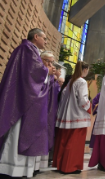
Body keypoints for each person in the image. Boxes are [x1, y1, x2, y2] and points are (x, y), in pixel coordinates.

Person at [0, 28, 53, 178]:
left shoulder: (27, 50)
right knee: (17, 133)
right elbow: (34, 73)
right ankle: (9, 168)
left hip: (23, 97)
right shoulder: (28, 49)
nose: (46, 41)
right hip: (22, 101)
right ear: (36, 37)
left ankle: (15, 168)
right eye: (44, 38)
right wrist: (46, 72)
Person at [53, 61, 91, 174]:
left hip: (66, 116)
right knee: (74, 143)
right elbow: (83, 100)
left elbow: (63, 96)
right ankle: (70, 167)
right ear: (85, 69)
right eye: (87, 70)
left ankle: (61, 165)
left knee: (64, 142)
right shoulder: (82, 82)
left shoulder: (70, 81)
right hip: (77, 116)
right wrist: (90, 108)